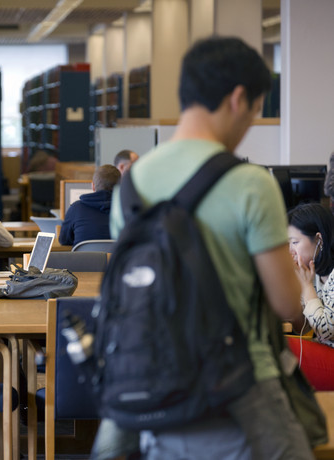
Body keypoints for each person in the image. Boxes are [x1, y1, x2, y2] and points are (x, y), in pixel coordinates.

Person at [104, 37, 309, 459]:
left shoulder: (131, 187)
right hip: (239, 394)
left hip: (155, 388)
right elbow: (288, 304)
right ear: (238, 98)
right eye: (255, 111)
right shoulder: (251, 183)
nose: (251, 123)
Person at [287, 203, 334, 391]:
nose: (290, 250)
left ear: (319, 240)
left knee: (282, 349)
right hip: (326, 352)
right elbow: (305, 328)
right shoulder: (312, 274)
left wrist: (306, 287)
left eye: (295, 242)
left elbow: (326, 331)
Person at [59, 164, 120, 246]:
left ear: (93, 186)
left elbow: (64, 240)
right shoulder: (127, 209)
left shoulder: (76, 209)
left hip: (84, 259)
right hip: (120, 258)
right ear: (120, 186)